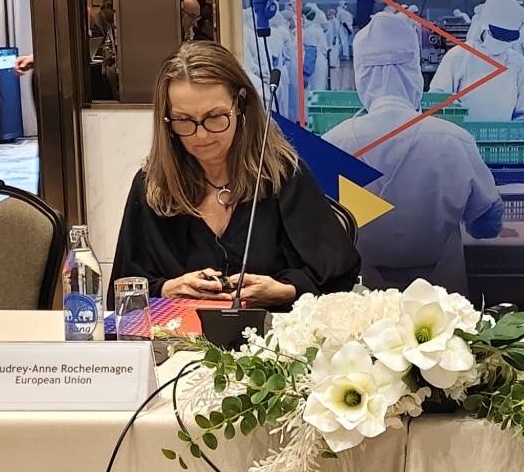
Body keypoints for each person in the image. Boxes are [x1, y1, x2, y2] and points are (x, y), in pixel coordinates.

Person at [115, 41, 359, 307]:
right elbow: (122, 294)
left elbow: (340, 277)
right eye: (183, 120)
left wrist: (287, 291)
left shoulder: (283, 175)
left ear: (241, 106)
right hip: (177, 331)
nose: (201, 135)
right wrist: (167, 289)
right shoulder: (152, 184)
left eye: (215, 117)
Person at [324, 12, 504, 294]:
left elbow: (320, 232)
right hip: (443, 300)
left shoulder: (333, 145)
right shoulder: (455, 141)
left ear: (362, 75)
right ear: (413, 71)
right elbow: (488, 225)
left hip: (362, 299)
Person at [429, 0, 524, 122]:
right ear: (485, 26)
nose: (502, 41)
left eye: (508, 37)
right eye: (498, 35)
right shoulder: (458, 57)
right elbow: (436, 101)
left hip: (503, 135)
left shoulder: (519, 64)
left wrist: (514, 128)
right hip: (460, 133)